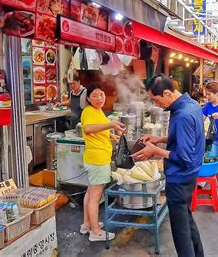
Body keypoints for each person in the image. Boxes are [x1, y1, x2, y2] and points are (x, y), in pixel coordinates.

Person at [133, 74, 204, 256]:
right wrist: (160, 139)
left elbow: (184, 156)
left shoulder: (182, 115)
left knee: (180, 231)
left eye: (156, 100)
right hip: (189, 175)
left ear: (167, 92)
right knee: (187, 220)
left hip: (180, 178)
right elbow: (186, 139)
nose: (156, 105)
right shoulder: (192, 105)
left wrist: (155, 151)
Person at [80, 83, 125, 242]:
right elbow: (88, 129)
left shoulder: (97, 111)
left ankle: (87, 224)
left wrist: (111, 136)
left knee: (90, 193)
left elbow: (99, 130)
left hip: (96, 158)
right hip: (97, 160)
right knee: (95, 197)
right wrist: (111, 124)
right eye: (95, 96)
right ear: (88, 98)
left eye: (101, 94)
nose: (99, 98)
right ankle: (96, 231)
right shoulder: (88, 111)